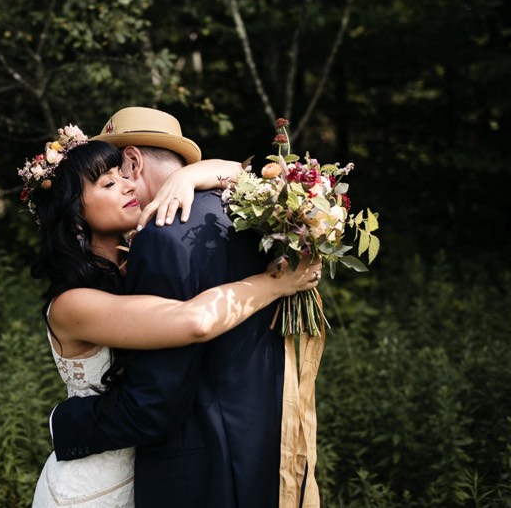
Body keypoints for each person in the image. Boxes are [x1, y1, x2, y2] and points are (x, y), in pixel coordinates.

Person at [20, 125, 321, 508]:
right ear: (75, 215)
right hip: (92, 488)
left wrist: (187, 175)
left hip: (146, 476)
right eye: (108, 185)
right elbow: (193, 322)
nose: (129, 186)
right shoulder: (73, 304)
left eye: (123, 176)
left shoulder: (131, 269)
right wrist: (275, 284)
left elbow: (241, 175)